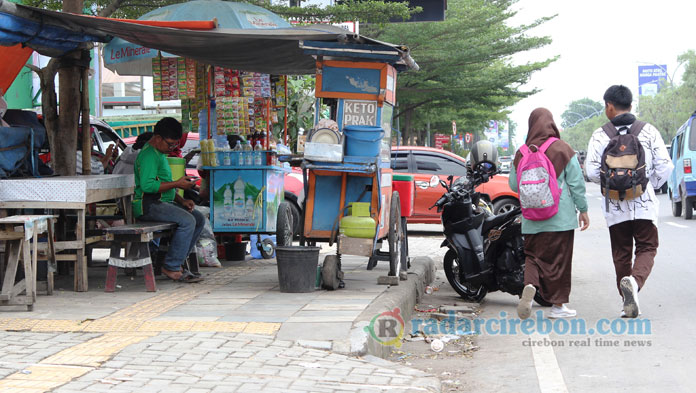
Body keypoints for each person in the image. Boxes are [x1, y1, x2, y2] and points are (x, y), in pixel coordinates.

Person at [585, 85, 673, 318]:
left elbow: (592, 172)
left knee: (621, 253)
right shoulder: (649, 131)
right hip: (644, 203)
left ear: (609, 106)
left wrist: (612, 185)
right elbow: (666, 166)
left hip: (615, 206)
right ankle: (634, 282)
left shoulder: (600, 134)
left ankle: (627, 300)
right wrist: (646, 184)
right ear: (631, 105)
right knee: (647, 246)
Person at [511, 108, 590, 319]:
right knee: (560, 261)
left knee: (533, 258)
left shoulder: (522, 152)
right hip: (560, 218)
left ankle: (529, 286)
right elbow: (576, 183)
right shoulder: (563, 149)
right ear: (551, 124)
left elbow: (512, 183)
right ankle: (558, 306)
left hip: (531, 218)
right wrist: (583, 210)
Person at [133, 117, 205, 283]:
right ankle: (171, 267)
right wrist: (178, 183)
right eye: (170, 144)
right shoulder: (149, 155)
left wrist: (181, 200)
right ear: (158, 138)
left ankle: (177, 262)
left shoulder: (159, 153)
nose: (172, 148)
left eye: (175, 145)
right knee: (188, 221)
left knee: (198, 218)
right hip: (147, 205)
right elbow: (148, 186)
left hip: (160, 202)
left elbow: (164, 184)